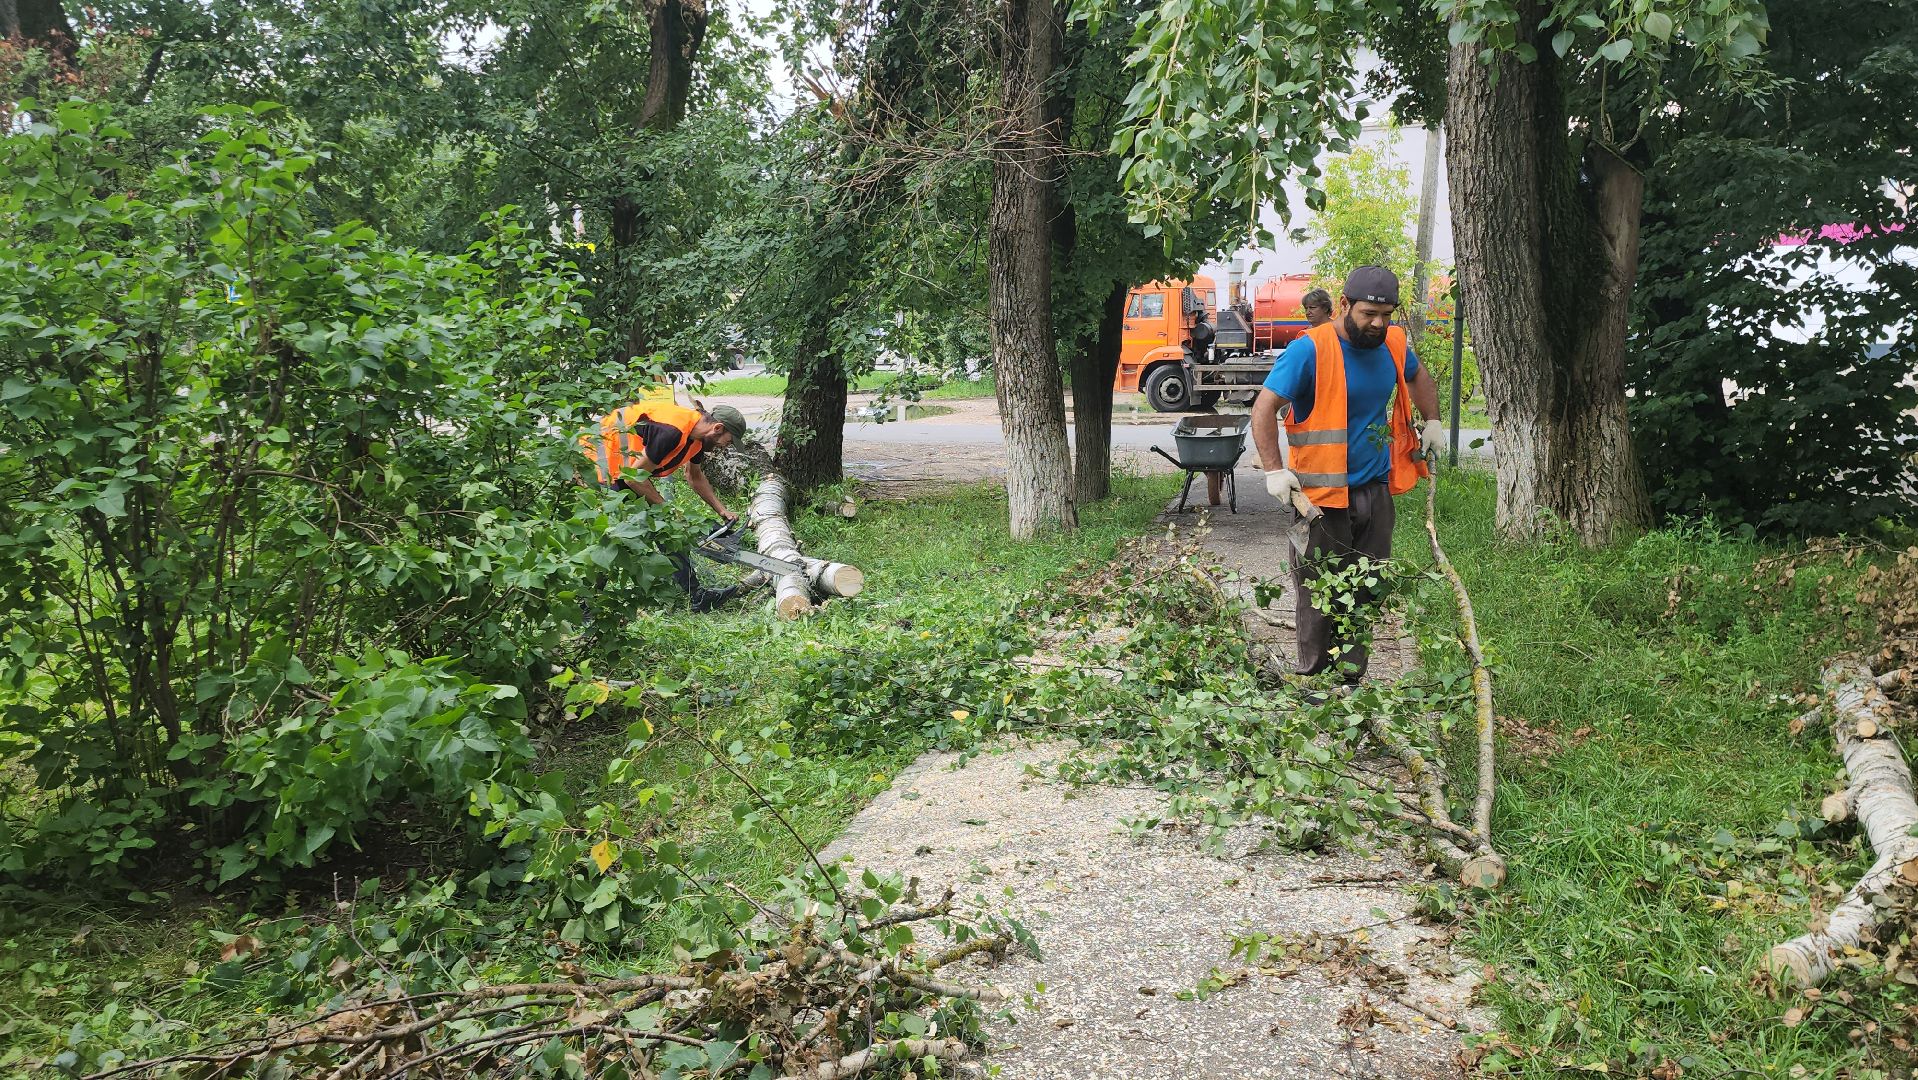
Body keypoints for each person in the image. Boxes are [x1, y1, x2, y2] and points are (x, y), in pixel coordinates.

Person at [1251, 267, 1443, 681]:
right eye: (1368, 313)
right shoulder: (1311, 350)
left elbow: (1418, 377)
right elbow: (1264, 407)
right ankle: (1315, 681)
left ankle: (1352, 678)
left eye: (1386, 315)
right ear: (1344, 305)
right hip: (1320, 500)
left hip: (1374, 491)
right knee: (1319, 591)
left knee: (1368, 588)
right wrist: (1273, 471)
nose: (1377, 323)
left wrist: (1433, 421)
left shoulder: (1393, 342)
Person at [579, 398, 751, 612]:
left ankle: (696, 595)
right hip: (598, 462)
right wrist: (669, 510)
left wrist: (721, 509)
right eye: (728, 440)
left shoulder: (696, 437)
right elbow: (634, 478)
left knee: (666, 527)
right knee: (619, 534)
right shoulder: (672, 431)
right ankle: (584, 604)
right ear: (717, 428)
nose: (725, 446)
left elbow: (694, 476)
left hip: (626, 470)